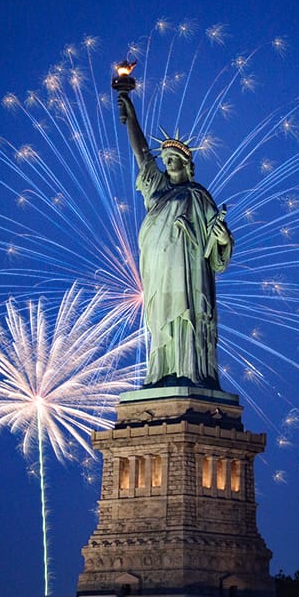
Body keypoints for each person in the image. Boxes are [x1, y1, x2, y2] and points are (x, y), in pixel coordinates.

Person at [117, 92, 233, 390]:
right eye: (165, 159)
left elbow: (217, 245)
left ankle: (188, 370)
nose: (168, 163)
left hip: (189, 267)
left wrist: (223, 239)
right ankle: (163, 372)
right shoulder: (156, 187)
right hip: (158, 266)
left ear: (186, 164)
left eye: (173, 159)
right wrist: (131, 116)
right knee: (161, 317)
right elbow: (142, 154)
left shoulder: (199, 196)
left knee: (187, 314)